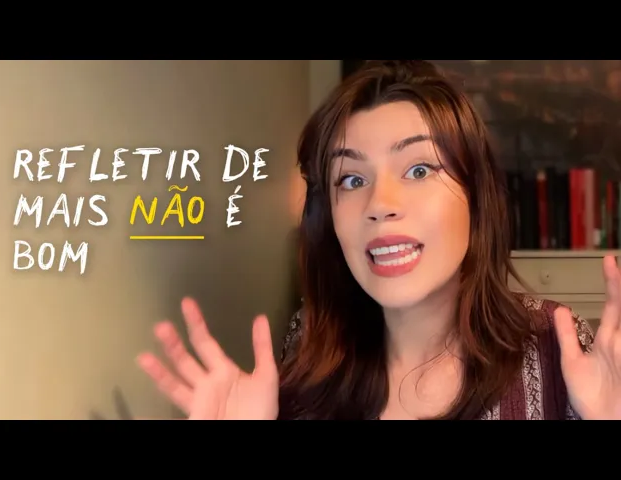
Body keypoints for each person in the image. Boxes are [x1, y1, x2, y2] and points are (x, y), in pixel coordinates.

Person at [136, 60, 621, 420]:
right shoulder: (307, 356)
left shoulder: (556, 349)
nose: (379, 203)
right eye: (351, 179)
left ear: (477, 199)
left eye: (419, 169)